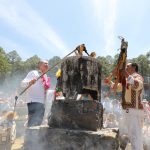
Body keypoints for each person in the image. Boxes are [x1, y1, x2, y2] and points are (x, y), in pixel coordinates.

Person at [105, 63, 144, 150]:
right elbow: (117, 88)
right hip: (127, 110)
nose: (125, 68)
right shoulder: (126, 79)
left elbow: (137, 85)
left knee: (135, 136)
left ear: (133, 67)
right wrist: (109, 82)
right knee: (127, 134)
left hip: (134, 111)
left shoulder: (137, 76)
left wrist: (125, 73)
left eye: (127, 66)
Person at [21, 60, 50, 127]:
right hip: (33, 101)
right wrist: (29, 83)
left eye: (48, 64)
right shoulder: (34, 73)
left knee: (38, 123)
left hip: (42, 102)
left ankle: (35, 137)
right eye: (45, 63)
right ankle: (29, 136)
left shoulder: (45, 76)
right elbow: (22, 84)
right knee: (32, 122)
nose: (47, 65)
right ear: (40, 65)